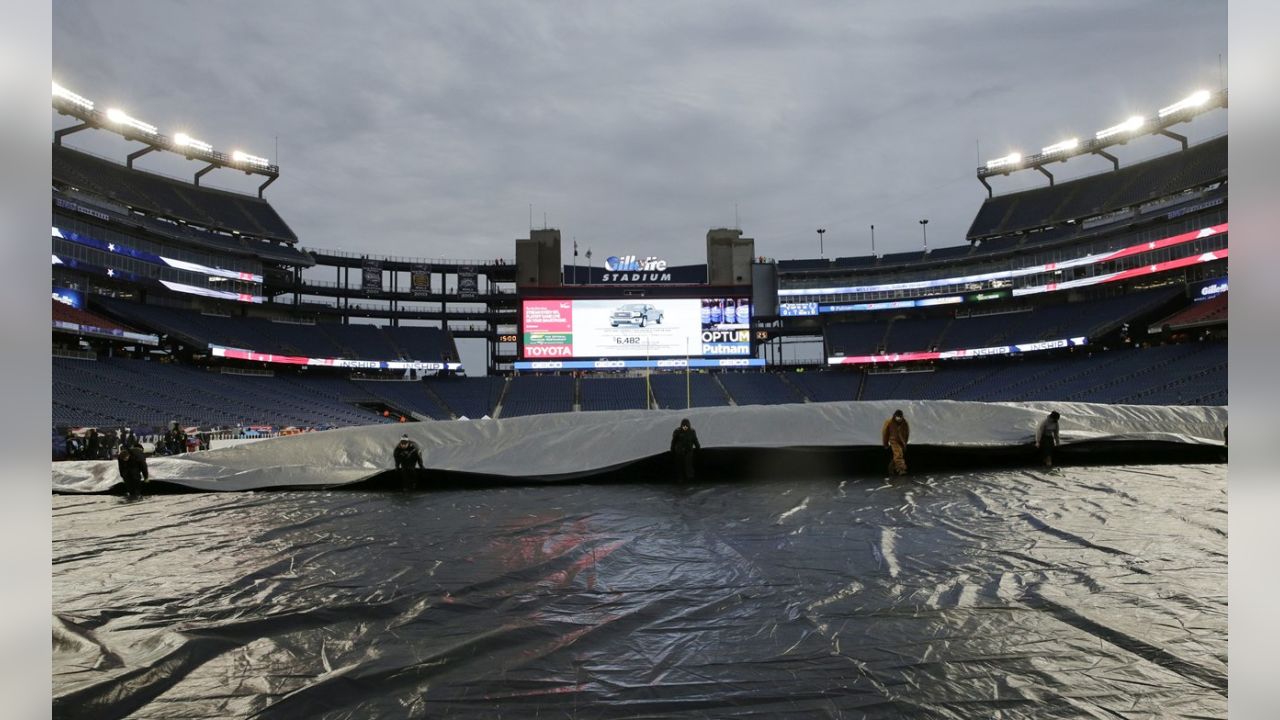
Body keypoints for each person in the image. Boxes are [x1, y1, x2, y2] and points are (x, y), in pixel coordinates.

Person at [881, 409, 910, 476]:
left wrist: (905, 443)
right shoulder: (889, 422)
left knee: (898, 454)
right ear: (895, 416)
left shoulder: (905, 423)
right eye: (898, 416)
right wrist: (885, 443)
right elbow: (885, 433)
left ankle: (891, 468)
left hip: (902, 441)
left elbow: (906, 433)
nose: (899, 418)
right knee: (898, 454)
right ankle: (901, 469)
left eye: (900, 417)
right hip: (893, 440)